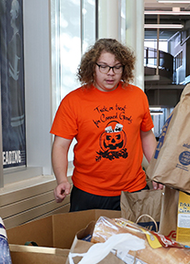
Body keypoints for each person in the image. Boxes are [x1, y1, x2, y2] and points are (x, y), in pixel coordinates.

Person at [51, 38, 162, 212]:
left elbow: (147, 136)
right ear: (92, 67)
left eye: (117, 67)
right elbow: (60, 145)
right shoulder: (73, 101)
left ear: (124, 68)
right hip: (88, 192)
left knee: (136, 239)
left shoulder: (137, 96)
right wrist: (62, 179)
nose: (110, 73)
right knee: (89, 240)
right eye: (103, 66)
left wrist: (158, 171)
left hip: (133, 190)